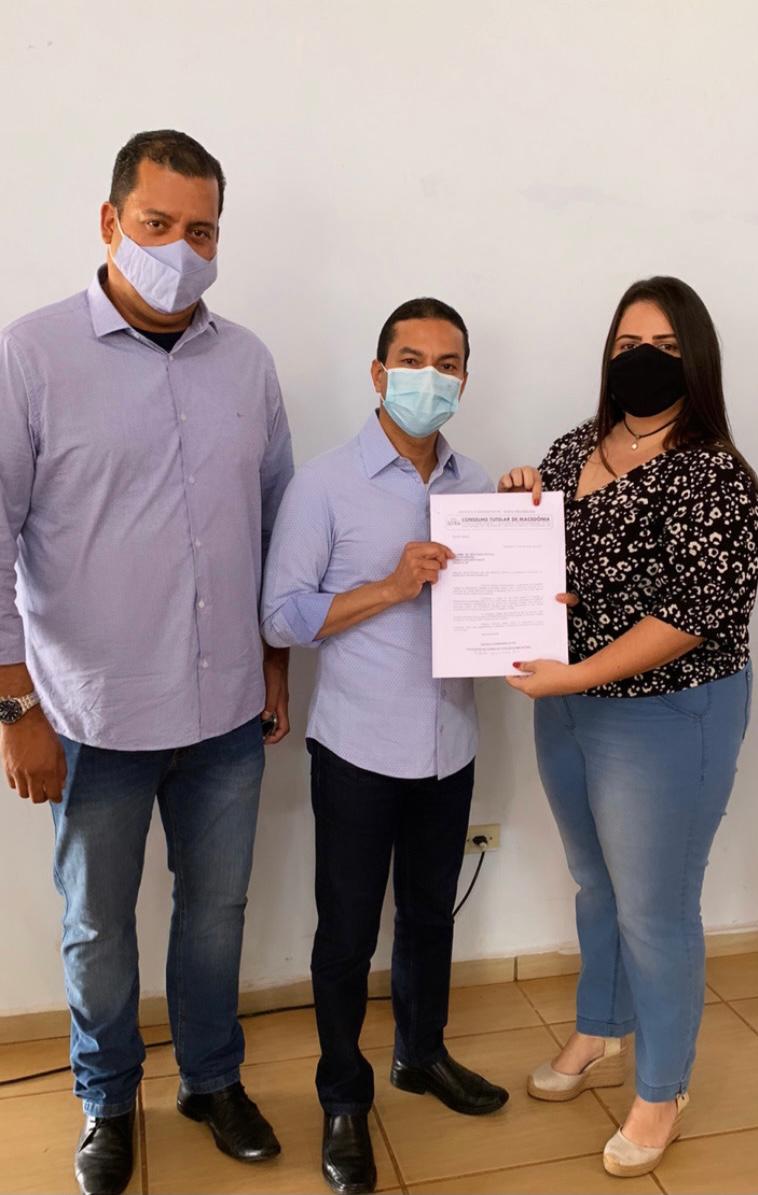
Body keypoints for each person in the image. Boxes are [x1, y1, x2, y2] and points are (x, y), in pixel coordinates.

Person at [0, 130, 294, 1195]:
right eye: (157, 223)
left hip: (224, 712)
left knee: (216, 914)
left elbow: (276, 524)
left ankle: (211, 1080)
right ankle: (107, 1095)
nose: (180, 248)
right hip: (91, 718)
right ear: (109, 220)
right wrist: (13, 709)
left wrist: (274, 663)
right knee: (96, 926)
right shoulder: (31, 356)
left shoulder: (246, 361)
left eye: (201, 230)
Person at [500, 276, 758, 1178]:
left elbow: (693, 612)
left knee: (656, 905)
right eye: (626, 345)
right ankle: (602, 1026)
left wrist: (576, 671)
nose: (642, 359)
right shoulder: (577, 445)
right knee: (595, 881)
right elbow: (544, 563)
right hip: (568, 705)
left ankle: (662, 1087)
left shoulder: (715, 474)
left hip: (668, 712)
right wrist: (519, 500)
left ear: (696, 359)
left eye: (664, 346)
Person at [261, 298, 508, 1195]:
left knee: (431, 914)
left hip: (450, 743)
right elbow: (279, 616)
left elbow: (503, 601)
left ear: (465, 379)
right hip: (358, 748)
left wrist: (532, 580)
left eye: (448, 363)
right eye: (411, 359)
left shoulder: (480, 487)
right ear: (378, 373)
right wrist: (391, 585)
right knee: (347, 932)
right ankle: (342, 1096)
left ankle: (420, 1053)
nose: (429, 378)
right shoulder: (324, 484)